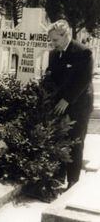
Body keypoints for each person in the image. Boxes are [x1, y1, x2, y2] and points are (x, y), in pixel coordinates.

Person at [46, 19, 94, 189]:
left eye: (55, 40)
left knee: (75, 141)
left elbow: (84, 80)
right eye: (50, 40)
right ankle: (58, 178)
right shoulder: (54, 54)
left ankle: (73, 182)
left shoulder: (83, 52)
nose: (52, 44)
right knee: (59, 139)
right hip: (59, 105)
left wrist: (67, 99)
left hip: (78, 105)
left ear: (65, 35)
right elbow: (51, 78)